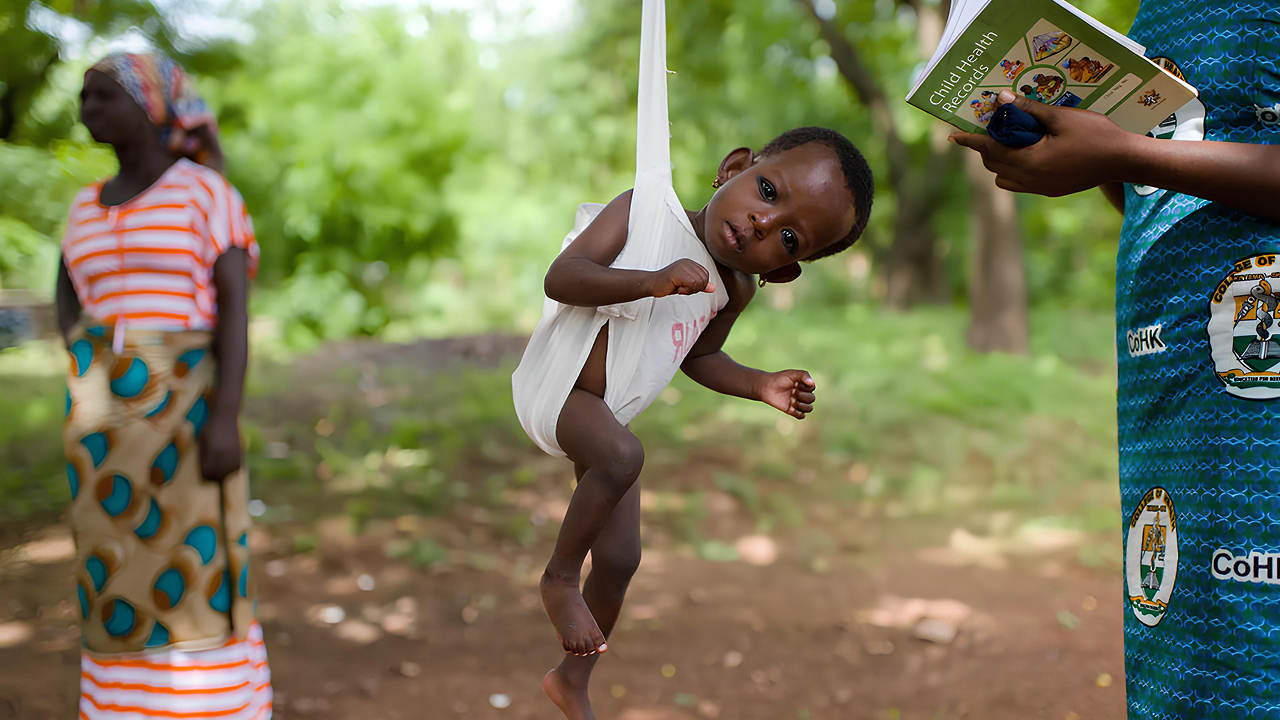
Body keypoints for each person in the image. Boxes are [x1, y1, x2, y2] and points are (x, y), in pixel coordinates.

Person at [950, 1, 1280, 714]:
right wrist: (1084, 141)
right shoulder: (1158, 8)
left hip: (1262, 378)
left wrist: (1125, 152)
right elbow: (1149, 186)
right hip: (1168, 366)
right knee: (1186, 639)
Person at [512, 126, 873, 720]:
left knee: (624, 557)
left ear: (785, 270)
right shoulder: (643, 210)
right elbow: (563, 278)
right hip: (556, 387)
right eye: (767, 190)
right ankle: (557, 579)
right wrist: (648, 283)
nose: (762, 222)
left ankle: (571, 681)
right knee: (624, 457)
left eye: (787, 236)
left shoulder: (733, 289)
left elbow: (700, 358)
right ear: (732, 167)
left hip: (605, 415)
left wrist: (760, 384)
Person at [57, 51, 271, 720]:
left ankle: (208, 705)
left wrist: (225, 417)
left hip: (189, 409)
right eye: (84, 97)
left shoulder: (206, 193)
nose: (87, 109)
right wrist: (88, 357)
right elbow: (66, 292)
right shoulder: (83, 208)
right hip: (101, 424)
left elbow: (234, 309)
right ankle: (123, 708)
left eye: (102, 96)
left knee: (194, 556)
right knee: (110, 558)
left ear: (150, 107)